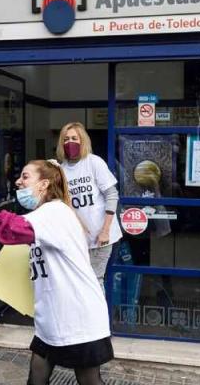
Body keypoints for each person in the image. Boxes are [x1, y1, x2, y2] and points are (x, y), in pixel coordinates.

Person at [0, 159, 112, 385]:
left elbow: (13, 226)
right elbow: (11, 234)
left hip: (77, 317)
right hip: (51, 320)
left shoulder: (55, 211)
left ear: (43, 185)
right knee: (36, 379)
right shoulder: (42, 215)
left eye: (25, 176)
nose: (18, 181)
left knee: (89, 381)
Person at [56, 122, 122, 289]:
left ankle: (98, 315)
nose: (69, 142)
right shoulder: (61, 170)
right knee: (79, 283)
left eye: (74, 138)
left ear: (82, 141)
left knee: (95, 281)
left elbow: (112, 195)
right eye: (65, 139)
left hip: (102, 238)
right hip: (79, 240)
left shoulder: (93, 162)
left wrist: (105, 231)